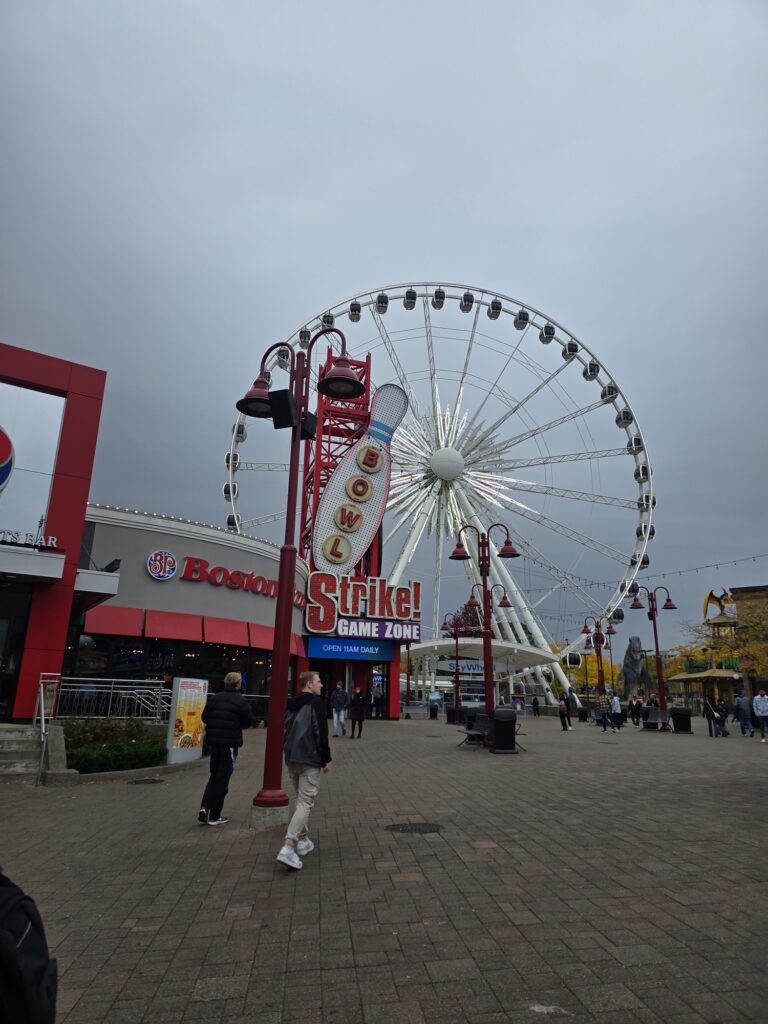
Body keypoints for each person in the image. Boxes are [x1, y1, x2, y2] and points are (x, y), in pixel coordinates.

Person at [276, 671, 332, 871]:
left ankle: (303, 840)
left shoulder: (291, 704)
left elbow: (284, 729)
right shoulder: (315, 704)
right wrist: (326, 758)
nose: (321, 685)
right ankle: (289, 846)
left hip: (292, 757)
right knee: (305, 802)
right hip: (309, 757)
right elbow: (321, 732)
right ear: (309, 684)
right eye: (318, 681)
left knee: (300, 801)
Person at [199, 671, 252, 826]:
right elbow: (247, 722)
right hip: (229, 744)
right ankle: (214, 814)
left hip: (214, 743)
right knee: (223, 779)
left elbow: (204, 717)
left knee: (214, 775)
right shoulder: (240, 701)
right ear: (238, 684)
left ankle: (205, 807)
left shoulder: (215, 698)